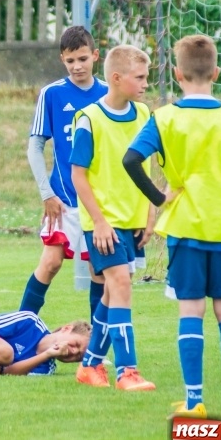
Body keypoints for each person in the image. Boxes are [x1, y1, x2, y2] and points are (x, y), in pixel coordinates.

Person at [124, 34, 221, 420]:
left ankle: (195, 402)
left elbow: (131, 160)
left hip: (186, 230)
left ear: (176, 73)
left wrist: (159, 198)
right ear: (216, 72)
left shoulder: (164, 117)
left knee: (191, 312)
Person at [70, 44, 156, 392]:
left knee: (112, 293)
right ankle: (127, 372)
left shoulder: (144, 114)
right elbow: (78, 175)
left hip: (132, 220)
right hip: (102, 224)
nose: (145, 84)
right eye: (140, 78)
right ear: (117, 79)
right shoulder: (89, 119)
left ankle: (90, 365)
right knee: (120, 285)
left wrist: (150, 209)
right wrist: (99, 221)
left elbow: (148, 165)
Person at [19, 26, 107, 320]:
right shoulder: (52, 94)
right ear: (62, 60)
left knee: (99, 271)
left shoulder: (109, 94)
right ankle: (20, 331)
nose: (77, 66)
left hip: (100, 201)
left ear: (95, 55)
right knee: (50, 263)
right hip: (64, 198)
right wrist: (47, 193)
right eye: (70, 61)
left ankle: (96, 348)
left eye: (83, 58)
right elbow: (35, 147)